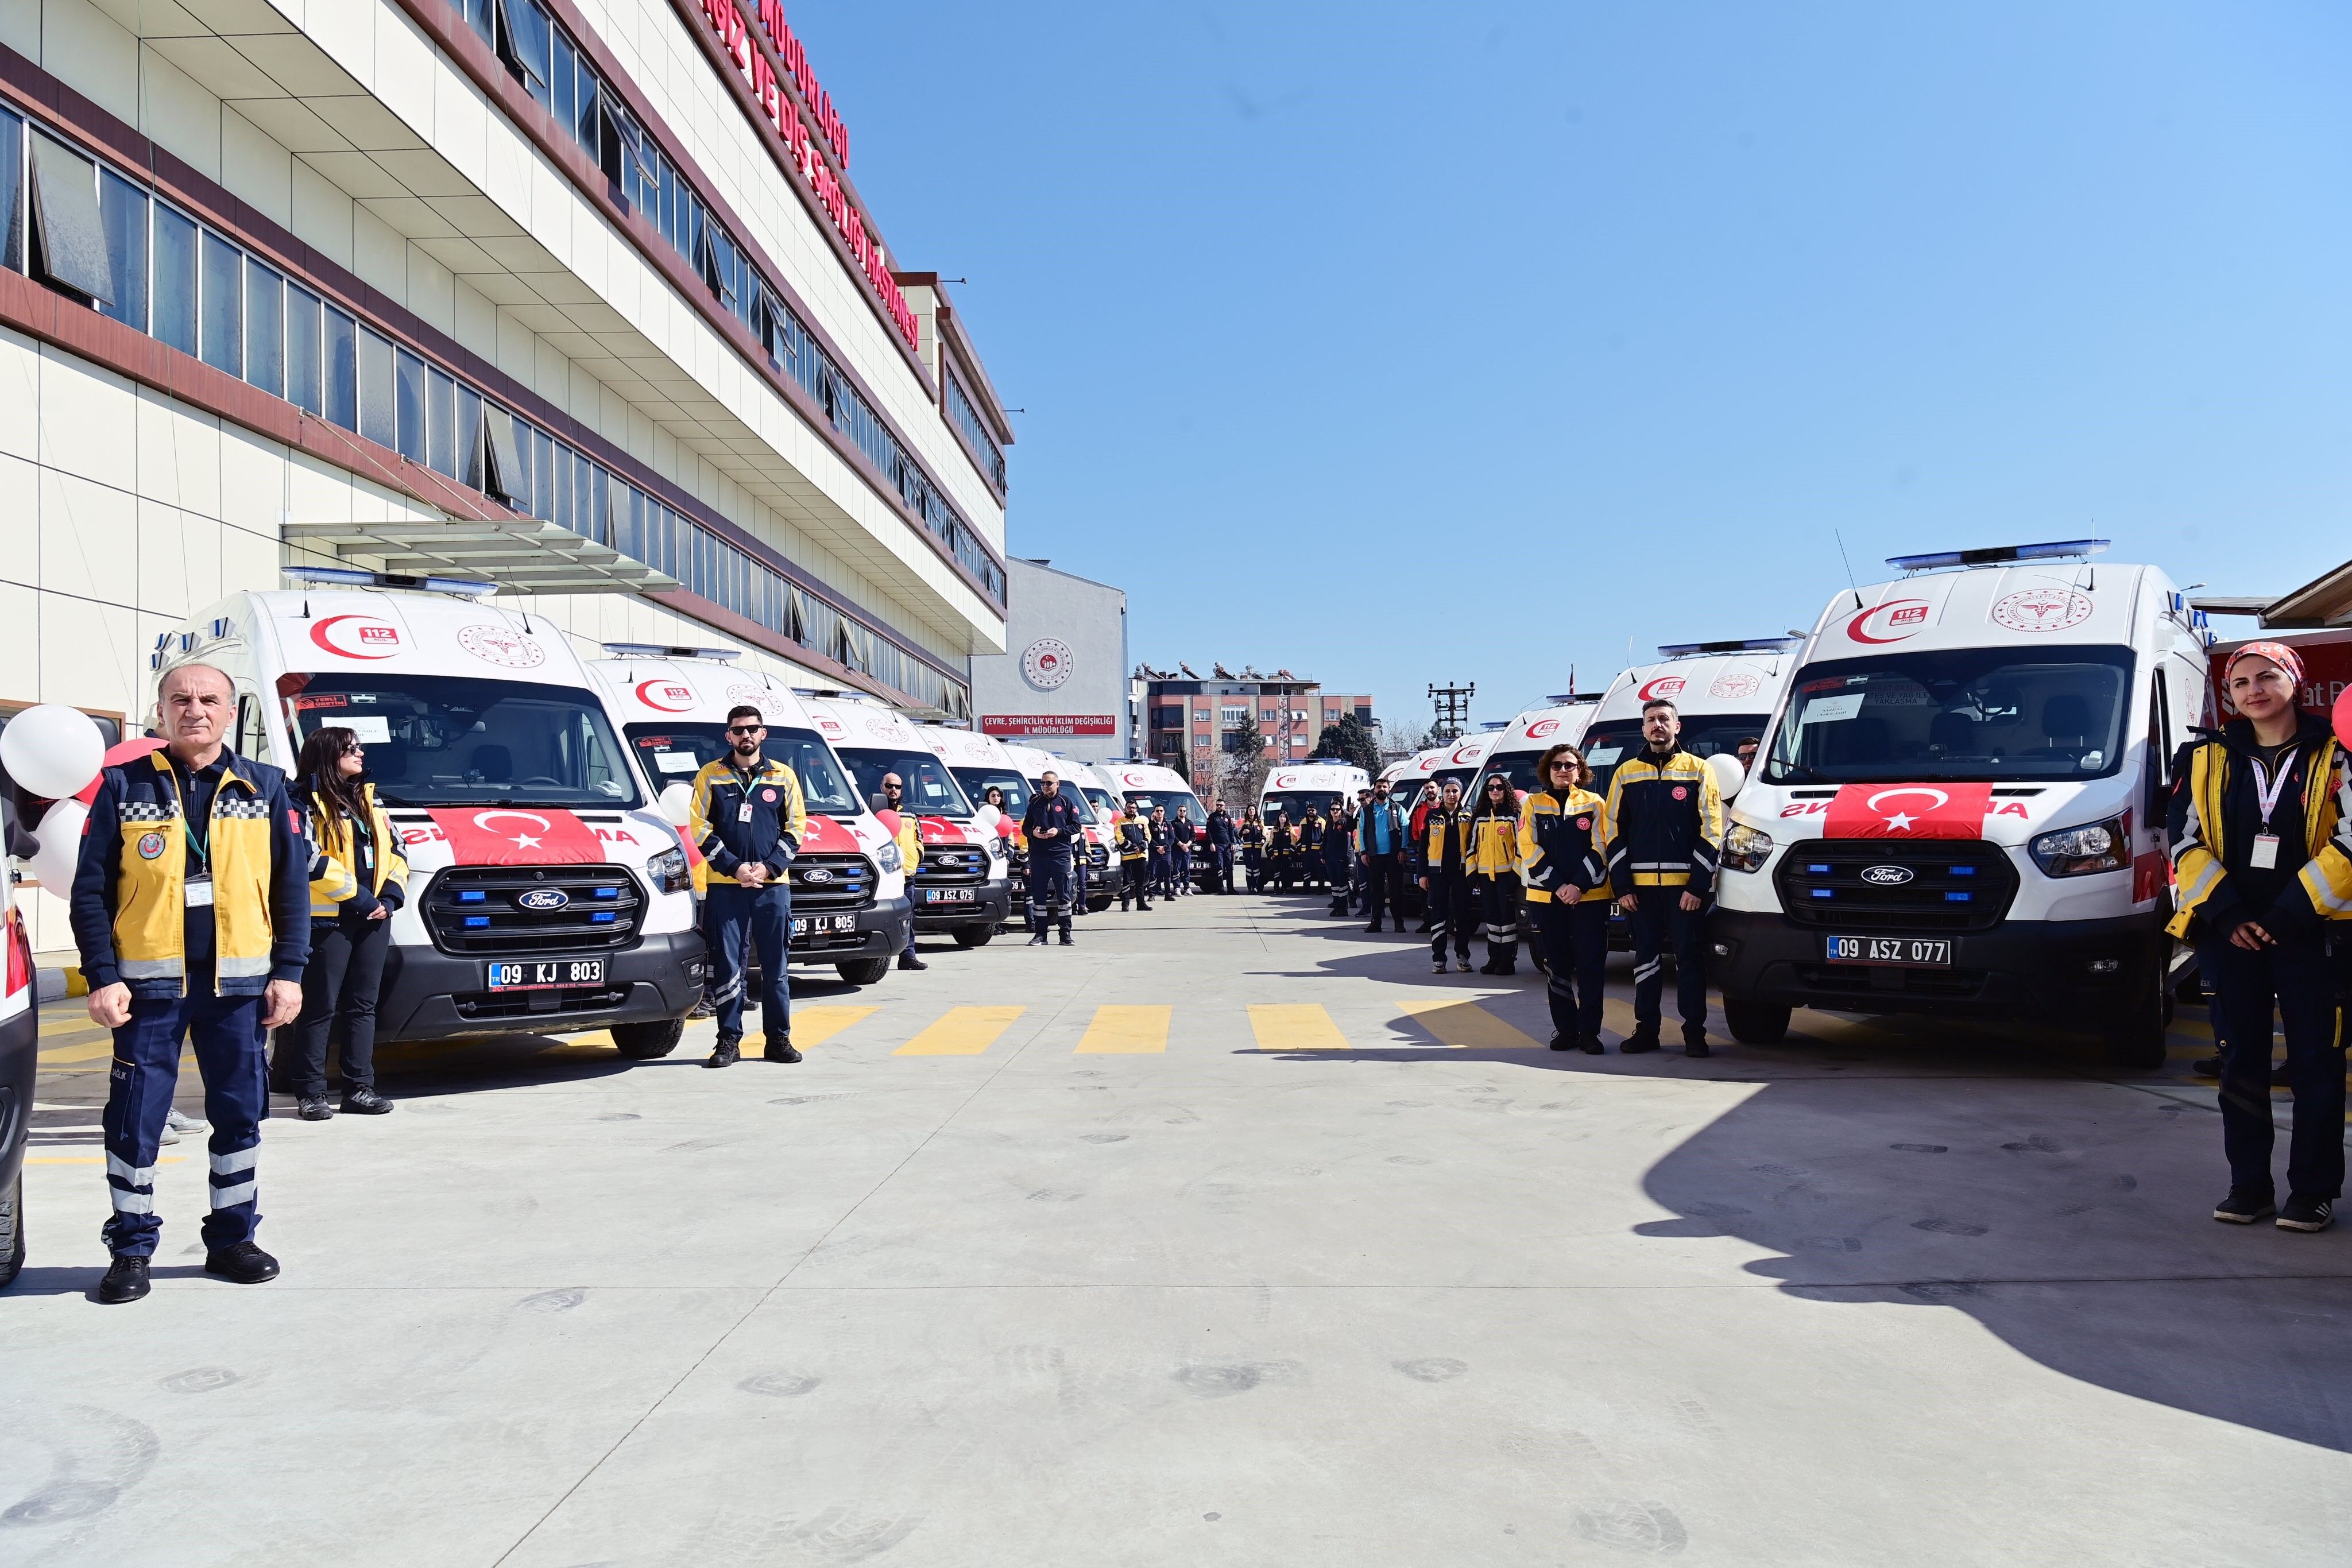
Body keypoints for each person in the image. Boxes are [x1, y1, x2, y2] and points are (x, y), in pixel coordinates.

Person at [72, 663, 310, 1304]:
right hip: (148, 992)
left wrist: (289, 973)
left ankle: (232, 1238)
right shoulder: (123, 786)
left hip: (238, 990)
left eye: (209, 699)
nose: (195, 709)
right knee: (134, 1123)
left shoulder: (265, 787)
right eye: (181, 698)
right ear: (161, 710)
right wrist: (101, 976)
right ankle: (130, 1248)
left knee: (239, 1117)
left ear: (231, 713)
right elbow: (90, 890)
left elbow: (291, 889)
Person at [2170, 641, 2352, 1232]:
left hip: (2314, 935)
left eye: (2268, 676)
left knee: (2316, 1067)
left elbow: (2350, 841)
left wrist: (2285, 916)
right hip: (2233, 938)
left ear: (2295, 683)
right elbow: (2183, 843)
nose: (2254, 689)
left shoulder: (2340, 751)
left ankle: (2313, 1193)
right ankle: (2248, 1186)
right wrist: (2226, 915)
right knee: (2238, 1063)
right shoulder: (2202, 757)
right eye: (2241, 681)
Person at [284, 726, 408, 1120]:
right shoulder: (301, 799)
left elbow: (399, 850)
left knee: (362, 1006)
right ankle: (311, 1092)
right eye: (350, 748)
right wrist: (359, 897)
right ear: (327, 753)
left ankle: (360, 1088)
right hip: (329, 919)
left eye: (359, 747)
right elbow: (306, 856)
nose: (360, 753)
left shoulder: (370, 799)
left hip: (373, 918)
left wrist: (389, 897)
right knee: (319, 1007)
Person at [688, 705, 807, 1068]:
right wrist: (735, 867)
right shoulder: (710, 775)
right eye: (739, 730)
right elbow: (699, 828)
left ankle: (778, 1039)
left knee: (776, 967)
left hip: (774, 888)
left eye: (753, 729)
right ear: (729, 736)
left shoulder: (784, 776)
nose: (746, 735)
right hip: (727, 887)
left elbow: (797, 828)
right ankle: (728, 1040)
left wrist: (769, 868)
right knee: (728, 965)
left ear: (763, 733)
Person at [1606, 697, 1725, 1057]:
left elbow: (1713, 829)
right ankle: (1647, 1031)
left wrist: (1697, 885)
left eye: (1663, 719)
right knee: (1646, 961)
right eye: (1650, 720)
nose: (1657, 725)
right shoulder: (1626, 772)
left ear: (1677, 727)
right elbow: (1612, 830)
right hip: (1639, 892)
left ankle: (1694, 1033)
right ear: (1643, 729)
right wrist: (1622, 886)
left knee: (1689, 960)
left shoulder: (1700, 770)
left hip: (1685, 892)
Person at [1522, 744, 1610, 1053]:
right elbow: (1529, 848)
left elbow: (1602, 846)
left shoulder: (1595, 803)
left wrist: (1578, 886)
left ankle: (1590, 1033)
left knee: (1591, 966)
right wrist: (1559, 886)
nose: (1562, 770)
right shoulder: (1532, 804)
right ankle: (1565, 1030)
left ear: (1580, 770)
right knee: (1556, 965)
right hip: (1547, 898)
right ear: (1548, 769)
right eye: (1557, 765)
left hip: (1590, 898)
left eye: (1569, 765)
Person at [1468, 773, 1525, 974]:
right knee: (1491, 918)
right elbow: (1471, 847)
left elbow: (1521, 848)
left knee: (1507, 920)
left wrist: (1515, 875)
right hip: (1485, 876)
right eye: (1490, 788)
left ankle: (1508, 960)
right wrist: (1472, 873)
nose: (1494, 791)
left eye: (1499, 787)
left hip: (1506, 876)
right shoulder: (1479, 816)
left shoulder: (1513, 815)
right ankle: (1494, 958)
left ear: (1505, 790)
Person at [1022, 769, 1086, 944]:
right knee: (1039, 897)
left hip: (1060, 855)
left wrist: (1058, 832)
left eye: (1048, 783)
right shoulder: (1035, 803)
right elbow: (1025, 828)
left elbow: (1076, 827)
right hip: (1039, 856)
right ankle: (1041, 934)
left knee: (1064, 896)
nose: (1045, 786)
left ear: (1058, 784)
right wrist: (1033, 833)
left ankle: (1065, 934)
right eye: (1042, 783)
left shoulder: (1066, 802)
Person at [1419, 780, 1476, 974]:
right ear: (1442, 794)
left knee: (1462, 916)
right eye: (1448, 791)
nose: (1451, 795)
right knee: (1438, 916)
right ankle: (1439, 959)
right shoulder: (1432, 815)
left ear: (1461, 793)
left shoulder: (1469, 816)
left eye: (1455, 791)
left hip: (1462, 874)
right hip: (1438, 875)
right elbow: (1423, 848)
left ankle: (1463, 957)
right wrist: (1422, 874)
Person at [880, 773, 926, 971]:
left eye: (898, 787)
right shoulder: (874, 811)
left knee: (908, 918)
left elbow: (919, 838)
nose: (894, 790)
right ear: (881, 786)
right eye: (889, 786)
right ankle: (878, 960)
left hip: (907, 875)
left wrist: (918, 855)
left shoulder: (910, 812)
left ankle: (908, 956)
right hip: (885, 876)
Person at [1355, 785, 1409, 934]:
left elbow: (1405, 828)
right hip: (1374, 856)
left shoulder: (1397, 808)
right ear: (1374, 791)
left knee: (1396, 890)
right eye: (1379, 787)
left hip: (1394, 855)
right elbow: (1362, 831)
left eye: (1384, 787)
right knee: (1376, 891)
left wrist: (1403, 849)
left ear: (1388, 789)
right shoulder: (1367, 810)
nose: (1381, 789)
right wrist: (1364, 852)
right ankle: (1376, 922)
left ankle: (1399, 922)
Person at [1411, 783, 1442, 931]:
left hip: (1441, 857)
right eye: (1426, 789)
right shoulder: (1418, 810)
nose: (1429, 791)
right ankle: (1427, 920)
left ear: (1438, 790)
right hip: (1423, 856)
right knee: (1423, 889)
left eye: (1432, 788)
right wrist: (1419, 849)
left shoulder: (1444, 808)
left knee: (1440, 890)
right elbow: (1414, 832)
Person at [1324, 803, 1357, 915]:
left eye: (1337, 809)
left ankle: (1343, 908)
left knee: (1342, 883)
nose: (1335, 811)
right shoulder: (1329, 824)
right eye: (1333, 809)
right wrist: (1323, 855)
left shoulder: (1344, 822)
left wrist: (1344, 858)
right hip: (1330, 857)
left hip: (1341, 858)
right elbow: (1325, 840)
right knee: (1334, 883)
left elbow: (1347, 841)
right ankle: (1337, 905)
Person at [1117, 808, 1153, 910]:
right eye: (1129, 808)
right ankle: (1125, 904)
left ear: (1136, 809)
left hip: (1141, 856)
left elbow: (1148, 836)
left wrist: (1141, 848)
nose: (1131, 810)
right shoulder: (1120, 822)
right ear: (1125, 809)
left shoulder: (1142, 821)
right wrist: (1133, 848)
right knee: (1126, 881)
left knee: (1140, 882)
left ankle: (1141, 904)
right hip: (1127, 856)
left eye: (1133, 808)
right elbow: (1120, 838)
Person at [1205, 799, 1237, 893]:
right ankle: (1221, 889)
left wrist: (1233, 843)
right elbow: (1208, 831)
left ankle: (1231, 889)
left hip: (1227, 846)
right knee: (1220, 867)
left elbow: (1231, 831)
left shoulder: (1228, 817)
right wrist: (1211, 843)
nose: (1219, 807)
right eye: (1218, 805)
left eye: (1221, 805)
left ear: (1225, 806)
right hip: (1217, 846)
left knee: (1229, 867)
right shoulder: (1212, 817)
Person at [1147, 805, 1175, 899]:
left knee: (1167, 873)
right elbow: (1149, 838)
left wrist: (1165, 847)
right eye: (1157, 811)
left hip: (1166, 853)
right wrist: (1157, 848)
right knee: (1153, 874)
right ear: (1154, 812)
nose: (1159, 813)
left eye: (1161, 811)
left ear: (1164, 812)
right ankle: (1152, 894)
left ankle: (1168, 894)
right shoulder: (1150, 825)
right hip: (1155, 853)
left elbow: (1172, 838)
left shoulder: (1168, 824)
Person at [1265, 811, 1295, 892]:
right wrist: (1271, 854)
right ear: (1278, 818)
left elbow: (1293, 842)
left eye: (1284, 817)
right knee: (1277, 872)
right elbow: (1271, 842)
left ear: (1287, 818)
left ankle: (1284, 888)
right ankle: (1276, 888)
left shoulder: (1290, 829)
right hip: (1276, 855)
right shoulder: (1274, 830)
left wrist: (1290, 854)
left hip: (1286, 855)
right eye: (1281, 817)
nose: (1283, 818)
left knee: (1285, 872)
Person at [1168, 807, 1194, 895]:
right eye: (1180, 811)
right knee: (1176, 869)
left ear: (1186, 812)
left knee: (1186, 869)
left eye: (1184, 811)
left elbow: (1193, 835)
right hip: (1177, 851)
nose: (1182, 812)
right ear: (1177, 811)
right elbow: (1173, 836)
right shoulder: (1173, 823)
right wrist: (1182, 845)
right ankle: (1177, 888)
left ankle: (1187, 888)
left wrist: (1187, 845)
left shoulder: (1189, 823)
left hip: (1187, 850)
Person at [1239, 807, 1265, 891]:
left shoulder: (1260, 822)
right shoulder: (1244, 822)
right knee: (1249, 868)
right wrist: (1242, 832)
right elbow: (1238, 835)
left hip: (1257, 847)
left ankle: (1255, 886)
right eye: (1250, 810)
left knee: (1256, 867)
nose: (1251, 811)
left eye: (1253, 810)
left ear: (1255, 811)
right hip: (1247, 848)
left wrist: (1263, 839)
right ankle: (1250, 887)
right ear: (1247, 811)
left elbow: (1264, 834)